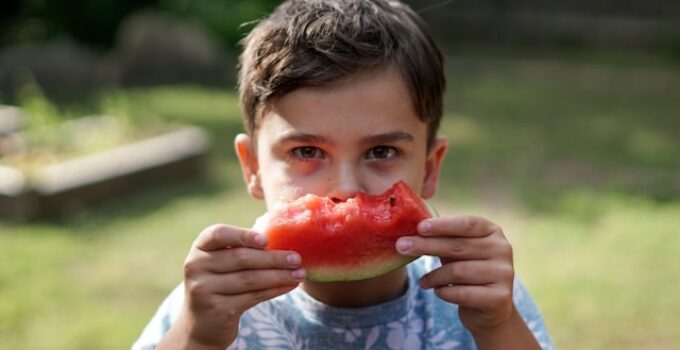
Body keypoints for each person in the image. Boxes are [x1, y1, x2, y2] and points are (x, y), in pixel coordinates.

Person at [132, 0, 554, 349]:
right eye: (307, 151)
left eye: (381, 151)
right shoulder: (210, 306)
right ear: (253, 167)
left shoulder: (479, 301)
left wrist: (498, 328)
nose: (346, 188)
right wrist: (199, 338)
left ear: (429, 168)